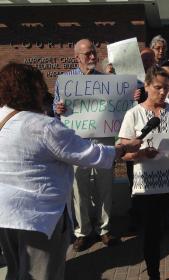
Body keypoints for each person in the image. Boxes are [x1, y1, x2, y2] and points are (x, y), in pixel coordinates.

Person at [0, 63, 141, 280]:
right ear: (30, 89)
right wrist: (122, 149)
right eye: (39, 86)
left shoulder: (2, 117)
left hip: (6, 216)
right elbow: (88, 153)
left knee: (15, 271)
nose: (43, 92)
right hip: (39, 219)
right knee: (41, 275)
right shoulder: (43, 126)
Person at [119, 66, 169, 280]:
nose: (163, 92)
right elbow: (123, 154)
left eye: (166, 88)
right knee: (152, 237)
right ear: (146, 86)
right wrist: (142, 154)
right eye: (158, 87)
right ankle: (154, 276)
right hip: (148, 187)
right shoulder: (133, 114)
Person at [53, 38, 118, 251]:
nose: (92, 57)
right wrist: (59, 109)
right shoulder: (65, 81)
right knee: (78, 186)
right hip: (76, 140)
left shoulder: (107, 80)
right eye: (87, 53)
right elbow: (55, 107)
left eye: (93, 53)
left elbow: (120, 104)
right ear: (77, 57)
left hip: (102, 137)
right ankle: (82, 231)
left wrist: (132, 95)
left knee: (105, 184)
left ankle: (105, 229)